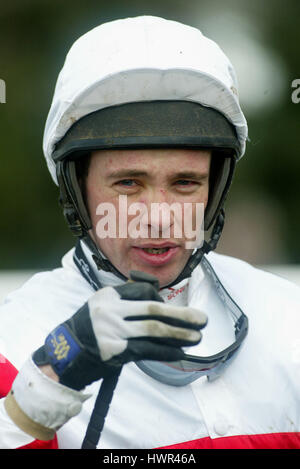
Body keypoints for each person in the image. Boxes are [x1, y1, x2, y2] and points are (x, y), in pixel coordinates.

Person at [0, 15, 299, 450]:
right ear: (77, 190)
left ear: (215, 189)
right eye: (128, 184)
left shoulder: (289, 315)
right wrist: (45, 387)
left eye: (185, 183)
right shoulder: (13, 337)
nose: (159, 217)